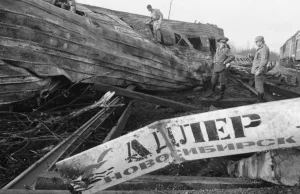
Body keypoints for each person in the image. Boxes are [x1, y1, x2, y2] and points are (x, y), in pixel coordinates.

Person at [251, 36, 270, 102]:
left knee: (259, 86)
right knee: (258, 85)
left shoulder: (264, 49)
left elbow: (264, 61)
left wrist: (259, 70)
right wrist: (252, 57)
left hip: (259, 71)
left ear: (260, 41)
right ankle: (260, 99)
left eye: (256, 42)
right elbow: (259, 59)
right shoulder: (261, 49)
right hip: (258, 70)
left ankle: (260, 100)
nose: (255, 43)